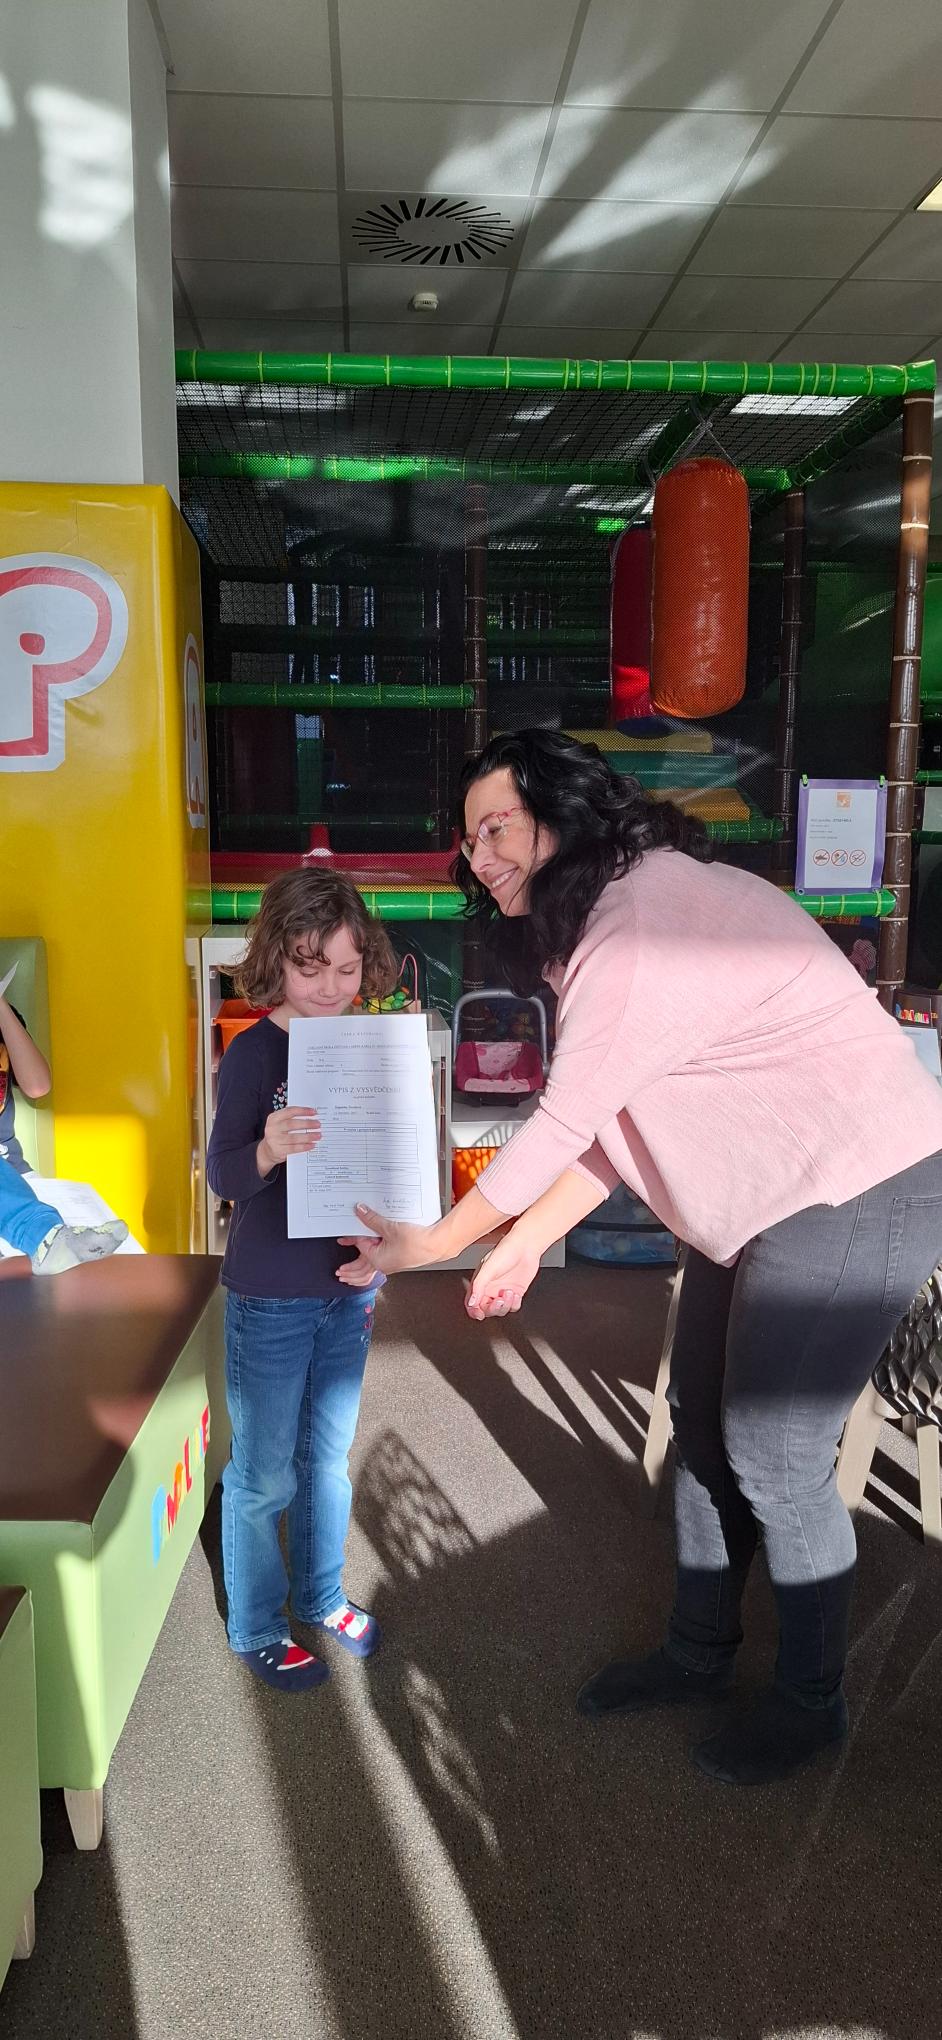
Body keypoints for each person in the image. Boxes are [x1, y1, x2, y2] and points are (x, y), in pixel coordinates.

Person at [337, 728, 942, 1785]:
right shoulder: (609, 917)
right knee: (700, 1424)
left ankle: (810, 1704)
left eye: (498, 828)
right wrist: (527, 1240)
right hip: (763, 1197)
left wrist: (436, 1241)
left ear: (563, 816)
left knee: (774, 1453)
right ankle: (698, 1653)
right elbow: (617, 1122)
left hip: (858, 1180)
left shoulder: (635, 922)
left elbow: (565, 1120)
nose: (481, 856)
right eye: (469, 839)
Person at [206, 869, 398, 1694]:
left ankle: (320, 1596)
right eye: (309, 968)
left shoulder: (366, 1047)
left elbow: (384, 1168)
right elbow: (223, 1175)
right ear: (276, 961)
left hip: (348, 1289)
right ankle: (256, 1625)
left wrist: (383, 1248)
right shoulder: (254, 1053)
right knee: (263, 1473)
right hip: (270, 1296)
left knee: (327, 1460)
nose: (330, 987)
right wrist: (267, 1149)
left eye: (347, 969)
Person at [0, 983, 127, 1269]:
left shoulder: (5, 1019)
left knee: (105, 1265)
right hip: (18, 1208)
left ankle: (51, 1237)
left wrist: (1, 1006)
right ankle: (43, 1236)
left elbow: (38, 1086)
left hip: (16, 1175)